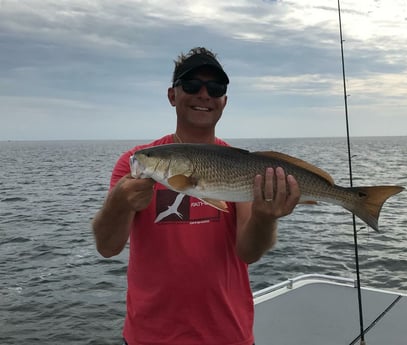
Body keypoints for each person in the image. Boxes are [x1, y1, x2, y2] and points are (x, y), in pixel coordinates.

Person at [92, 47, 300, 345]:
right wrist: (118, 203)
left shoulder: (241, 166)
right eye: (191, 85)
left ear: (224, 101)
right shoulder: (132, 164)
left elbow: (248, 253)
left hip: (228, 334)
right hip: (149, 337)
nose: (204, 94)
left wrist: (266, 218)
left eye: (215, 88)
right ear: (172, 95)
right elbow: (107, 247)